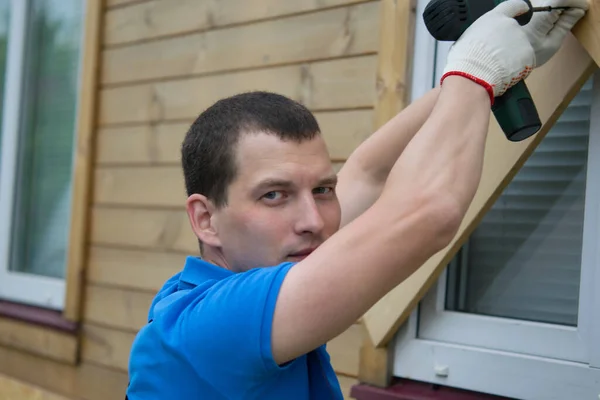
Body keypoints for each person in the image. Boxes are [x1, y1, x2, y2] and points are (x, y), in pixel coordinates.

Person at [125, 0, 589, 398]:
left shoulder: (206, 290)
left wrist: (497, 69)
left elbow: (370, 170)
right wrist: (475, 74)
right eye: (274, 195)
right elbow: (428, 213)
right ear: (205, 220)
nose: (314, 220)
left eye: (323, 189)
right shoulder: (210, 329)